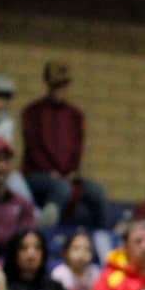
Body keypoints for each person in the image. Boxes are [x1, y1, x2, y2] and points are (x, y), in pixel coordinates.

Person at [21, 60, 109, 228]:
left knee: (96, 191)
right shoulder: (32, 112)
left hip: (68, 176)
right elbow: (33, 147)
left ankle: (102, 234)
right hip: (37, 175)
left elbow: (77, 147)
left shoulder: (75, 115)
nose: (60, 90)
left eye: (63, 85)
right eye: (56, 86)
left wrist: (72, 171)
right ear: (48, 85)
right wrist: (50, 172)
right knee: (62, 188)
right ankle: (45, 229)